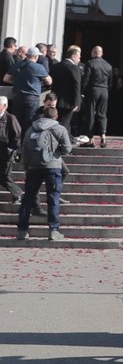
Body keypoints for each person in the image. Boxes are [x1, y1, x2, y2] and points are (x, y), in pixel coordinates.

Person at [16, 91, 73, 241]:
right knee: (53, 198)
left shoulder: (31, 128)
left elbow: (25, 148)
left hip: (33, 167)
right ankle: (53, 230)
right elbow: (67, 149)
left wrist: (26, 167)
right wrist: (55, 153)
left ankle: (22, 230)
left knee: (27, 199)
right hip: (52, 166)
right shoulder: (59, 129)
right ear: (56, 117)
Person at [5, 47, 52, 131]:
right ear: (36, 57)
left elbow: (6, 79)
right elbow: (49, 81)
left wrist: (18, 82)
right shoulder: (39, 67)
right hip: (32, 99)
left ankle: (15, 142)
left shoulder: (18, 64)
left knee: (16, 123)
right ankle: (25, 142)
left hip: (18, 97)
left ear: (27, 55)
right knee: (28, 123)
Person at [80, 46, 113, 147]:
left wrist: (82, 91)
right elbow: (111, 82)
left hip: (93, 90)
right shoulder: (108, 65)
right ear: (101, 53)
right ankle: (103, 136)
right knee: (102, 114)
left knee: (90, 114)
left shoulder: (90, 63)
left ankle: (91, 139)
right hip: (104, 91)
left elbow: (86, 79)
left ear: (93, 53)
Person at [50, 45, 83, 135]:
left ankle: (66, 141)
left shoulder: (56, 66)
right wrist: (76, 102)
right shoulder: (74, 68)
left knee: (58, 122)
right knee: (64, 124)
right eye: (79, 57)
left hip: (56, 99)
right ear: (73, 56)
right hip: (68, 102)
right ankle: (60, 143)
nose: (79, 60)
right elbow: (76, 85)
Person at [0, 95, 21, 201]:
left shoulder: (10, 118)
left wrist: (11, 150)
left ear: (4, 106)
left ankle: (18, 194)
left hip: (6, 153)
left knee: (4, 176)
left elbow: (17, 136)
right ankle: (17, 194)